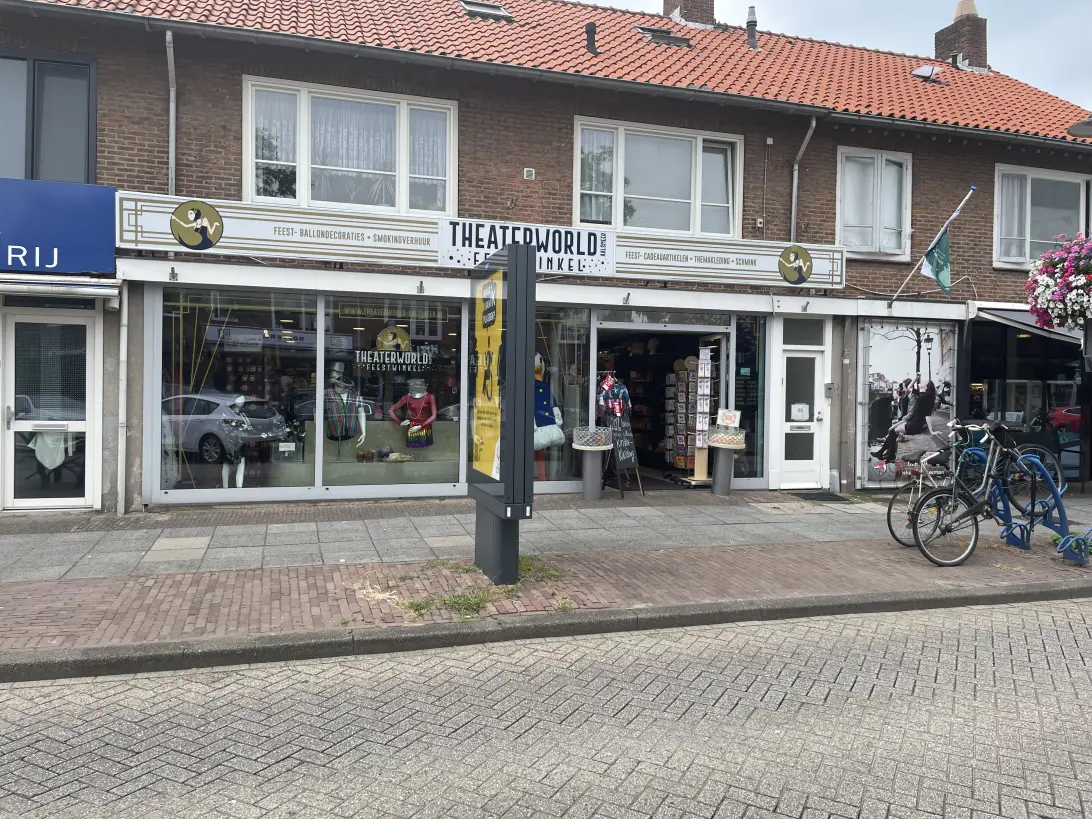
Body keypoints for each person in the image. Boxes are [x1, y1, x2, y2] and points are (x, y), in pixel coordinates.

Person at [871, 379, 937, 461]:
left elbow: (927, 415)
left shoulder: (924, 397)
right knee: (893, 431)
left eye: (924, 382)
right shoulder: (921, 395)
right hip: (913, 422)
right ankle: (887, 454)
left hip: (915, 425)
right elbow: (909, 387)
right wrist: (916, 378)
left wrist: (931, 431)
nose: (921, 382)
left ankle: (885, 454)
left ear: (927, 387)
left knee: (893, 431)